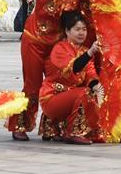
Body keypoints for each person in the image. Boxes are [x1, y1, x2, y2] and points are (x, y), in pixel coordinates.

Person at [9, 0, 85, 141]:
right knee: (32, 85)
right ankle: (20, 125)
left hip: (57, 43)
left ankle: (52, 127)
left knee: (59, 83)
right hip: (35, 41)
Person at [39, 11, 103, 145]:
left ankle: (95, 131)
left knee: (100, 91)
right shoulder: (60, 48)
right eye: (77, 29)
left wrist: (97, 86)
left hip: (72, 97)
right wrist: (90, 53)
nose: (81, 33)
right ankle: (73, 133)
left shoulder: (83, 50)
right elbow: (74, 67)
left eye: (84, 29)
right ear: (67, 31)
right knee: (85, 93)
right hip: (53, 97)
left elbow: (90, 73)